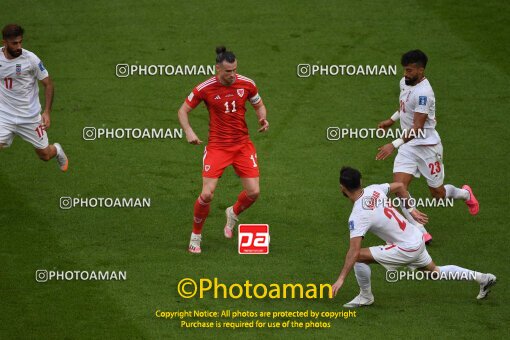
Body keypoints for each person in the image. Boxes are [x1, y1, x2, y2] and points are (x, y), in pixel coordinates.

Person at [331, 166, 496, 307]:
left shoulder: (358, 215)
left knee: (358, 256)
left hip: (406, 247)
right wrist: (411, 210)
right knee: (434, 272)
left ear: (342, 188)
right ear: (360, 182)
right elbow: (400, 186)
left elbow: (353, 251)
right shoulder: (374, 189)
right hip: (416, 238)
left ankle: (366, 296)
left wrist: (340, 279)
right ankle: (482, 278)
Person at [376, 50, 478, 244]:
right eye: (404, 69)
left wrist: (393, 144)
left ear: (421, 70)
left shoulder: (425, 93)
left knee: (437, 194)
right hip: (408, 147)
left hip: (427, 147)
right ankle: (420, 230)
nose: (405, 74)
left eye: (410, 70)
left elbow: (417, 128)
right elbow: (404, 105)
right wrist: (391, 120)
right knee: (399, 188)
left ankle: (465, 193)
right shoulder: (404, 82)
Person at [177, 46, 269, 254]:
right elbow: (183, 111)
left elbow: (259, 105)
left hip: (242, 145)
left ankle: (233, 212)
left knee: (254, 192)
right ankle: (195, 236)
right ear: (217, 68)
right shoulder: (205, 88)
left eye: (235, 70)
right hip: (218, 147)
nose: (232, 75)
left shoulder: (247, 84)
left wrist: (262, 117)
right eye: (228, 71)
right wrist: (189, 131)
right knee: (207, 194)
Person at [0, 24, 68, 171]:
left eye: (20, 42)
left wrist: (47, 112)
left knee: (45, 155)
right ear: (4, 42)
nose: (19, 46)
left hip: (29, 117)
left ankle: (57, 150)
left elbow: (48, 84)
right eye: (14, 43)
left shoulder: (31, 59)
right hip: (4, 115)